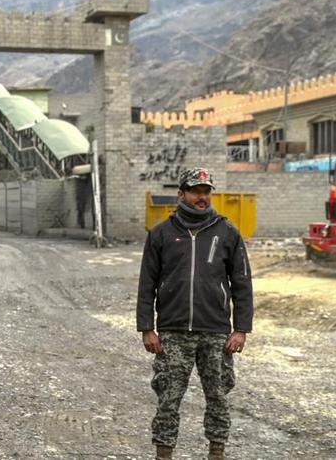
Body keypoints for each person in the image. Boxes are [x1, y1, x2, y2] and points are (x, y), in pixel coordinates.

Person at [137, 167, 254, 460]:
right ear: (181, 194)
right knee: (168, 399)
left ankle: (217, 453)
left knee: (218, 398)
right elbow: (147, 284)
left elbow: (242, 283)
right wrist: (147, 328)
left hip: (216, 332)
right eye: (195, 191)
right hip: (173, 332)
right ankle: (163, 454)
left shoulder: (227, 232)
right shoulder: (161, 233)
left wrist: (241, 329)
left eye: (206, 192)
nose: (202, 197)